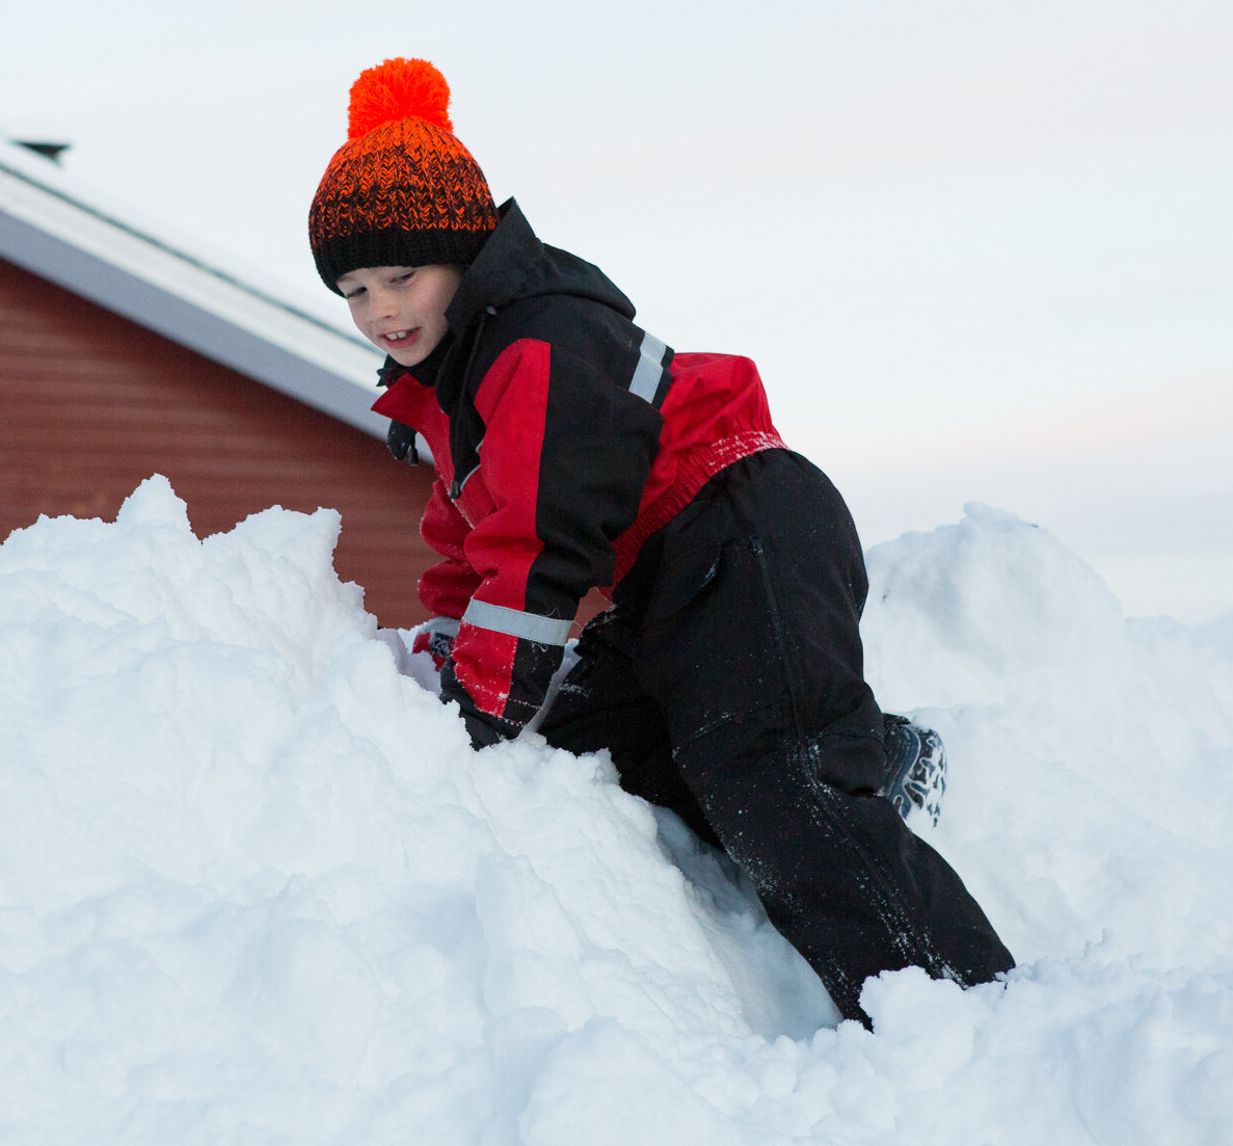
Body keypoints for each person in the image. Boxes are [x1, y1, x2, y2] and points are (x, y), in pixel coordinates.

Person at [308, 57, 1014, 1024]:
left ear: (466, 258)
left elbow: (537, 551)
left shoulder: (532, 347)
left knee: (766, 772)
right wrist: (448, 659)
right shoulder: (451, 387)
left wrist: (476, 708)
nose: (381, 310)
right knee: (596, 750)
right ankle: (859, 745)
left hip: (741, 520)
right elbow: (472, 544)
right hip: (666, 575)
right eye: (353, 289)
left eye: (401, 275)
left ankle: (969, 1016)